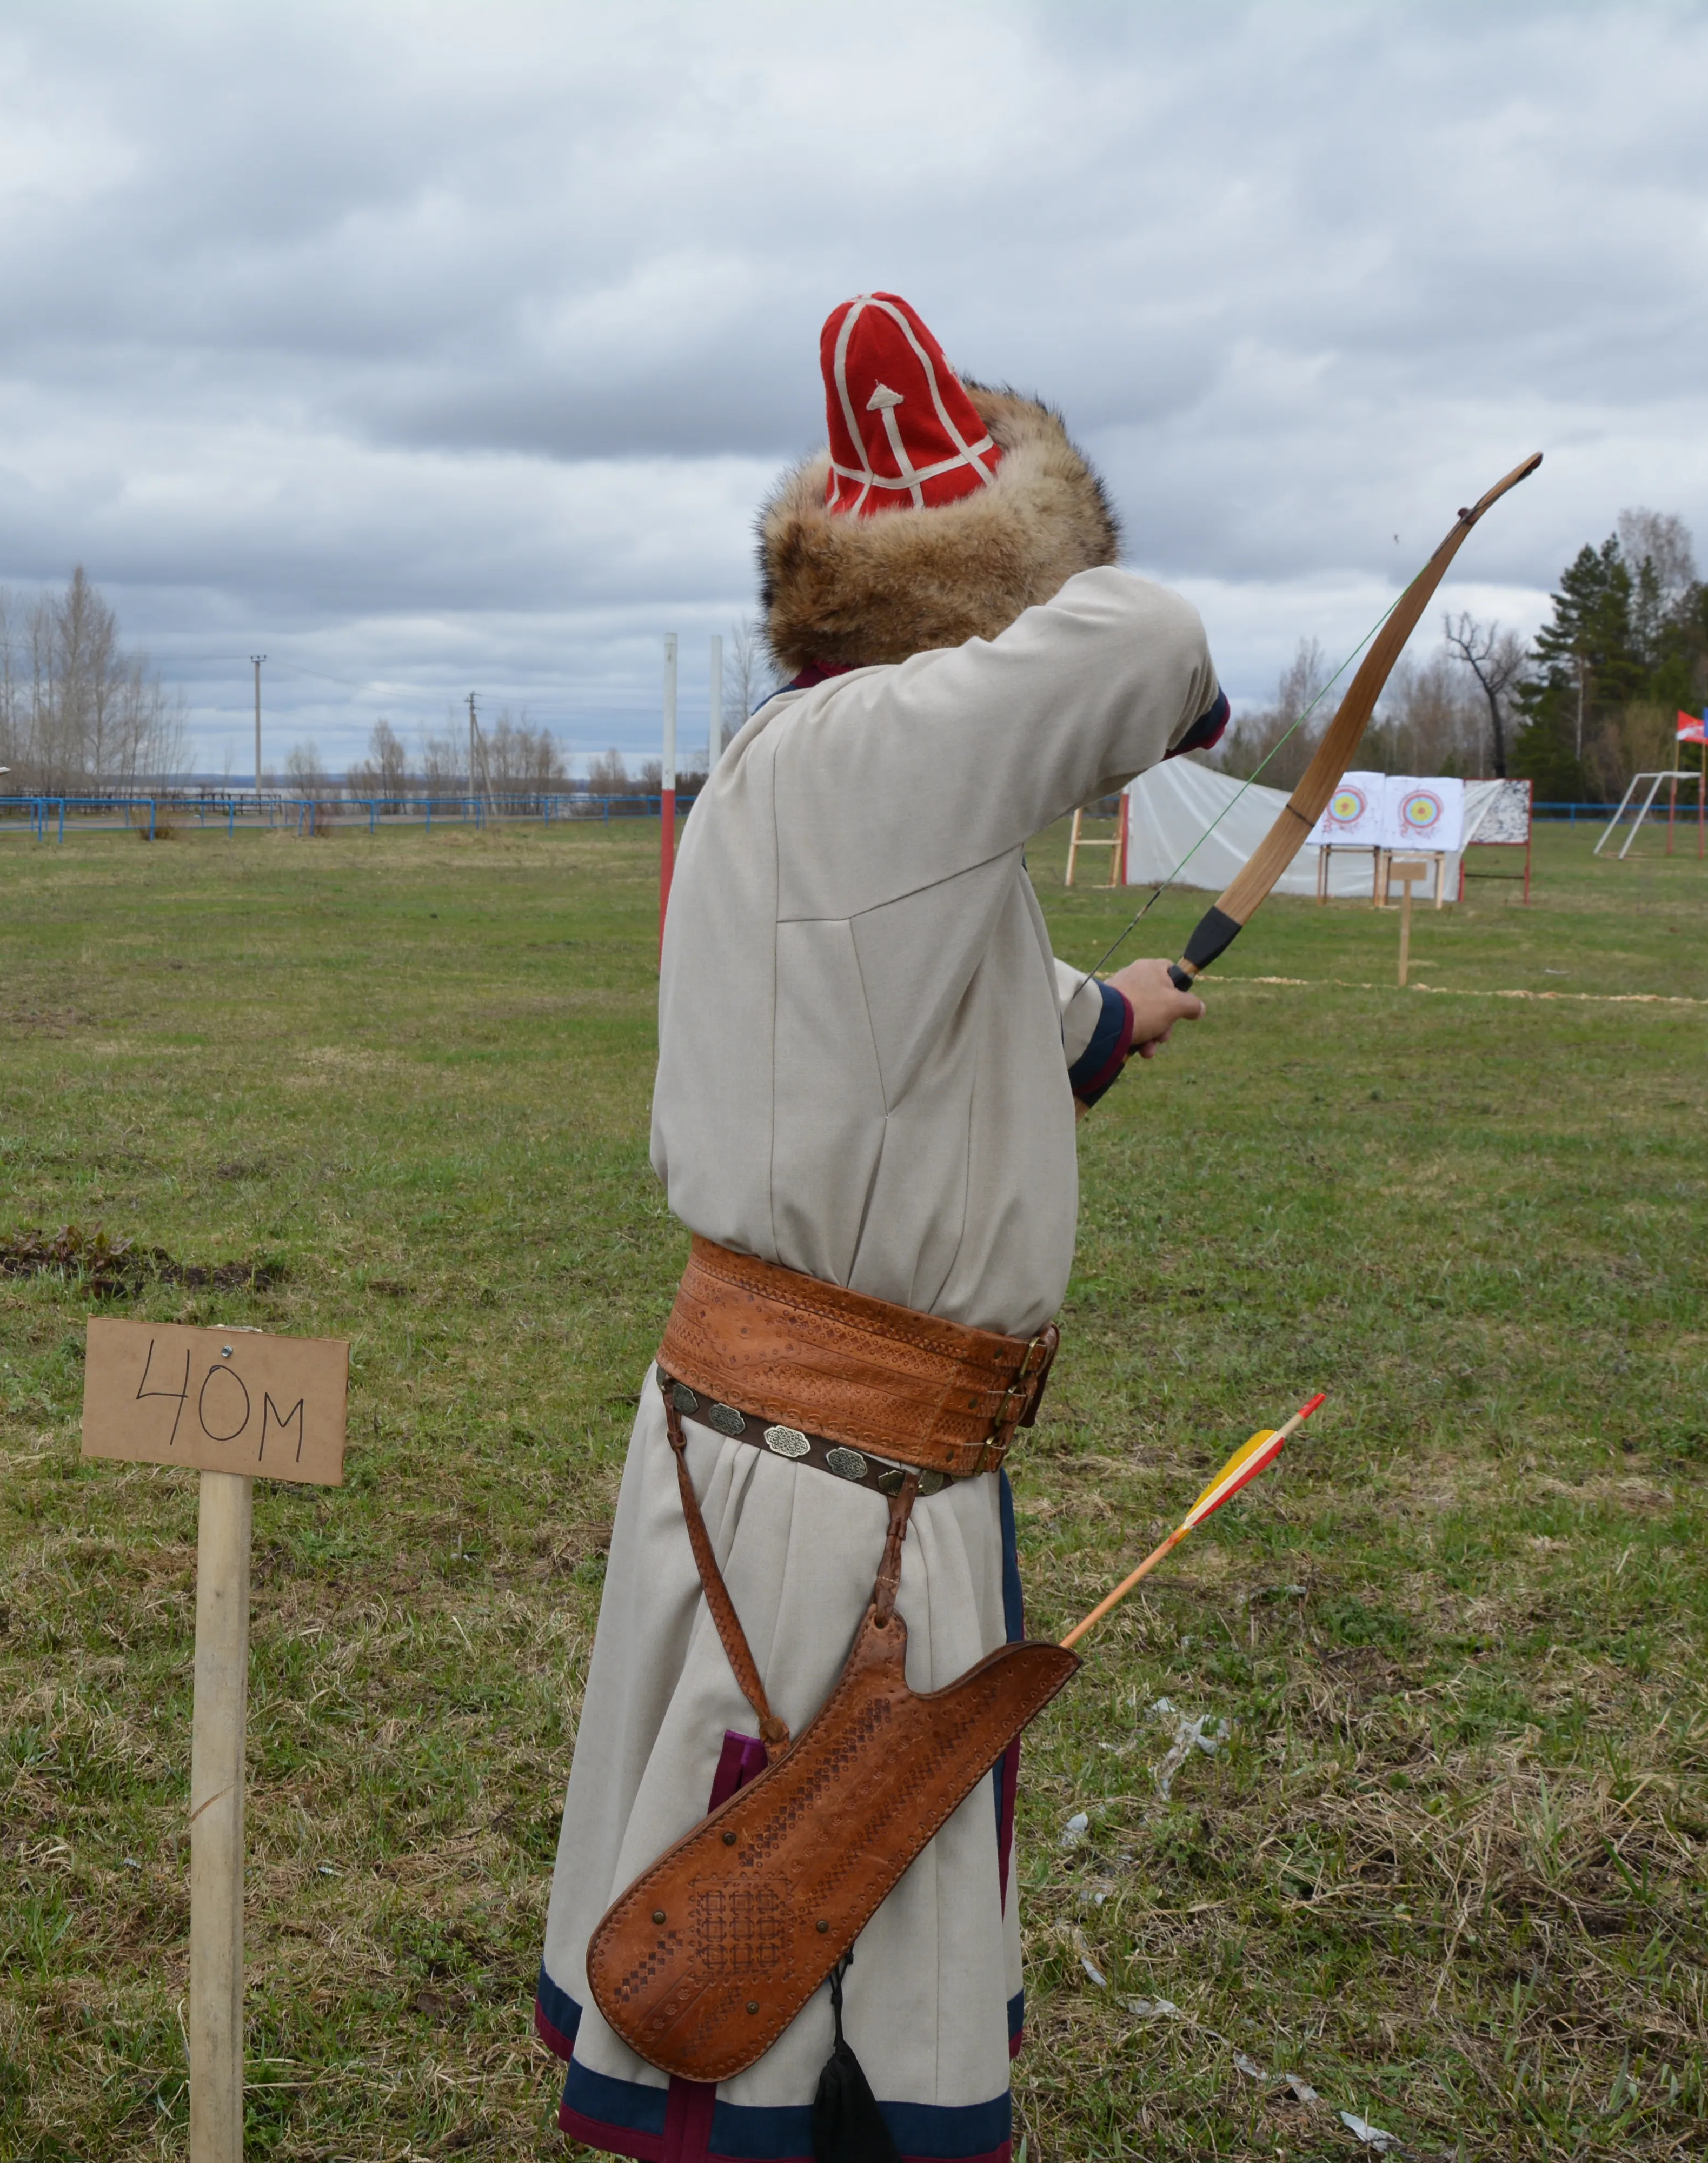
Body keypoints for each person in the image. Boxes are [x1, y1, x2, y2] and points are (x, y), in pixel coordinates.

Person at [534, 295, 1226, 2163]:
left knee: (804, 1890)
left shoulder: (847, 790)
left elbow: (925, 1012)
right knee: (785, 1950)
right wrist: (1059, 583)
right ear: (973, 604)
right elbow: (1154, 642)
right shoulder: (874, 757)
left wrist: (1109, 1016)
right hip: (832, 1483)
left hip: (826, 1448)